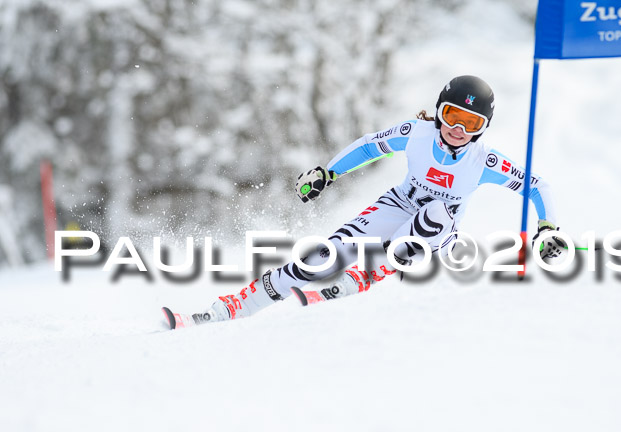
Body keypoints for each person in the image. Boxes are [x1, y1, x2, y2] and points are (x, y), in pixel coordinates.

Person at [173, 75, 564, 327]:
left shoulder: (483, 161)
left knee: (435, 213)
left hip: (436, 232)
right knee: (323, 258)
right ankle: (231, 308)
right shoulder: (417, 132)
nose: (459, 130)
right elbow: (369, 147)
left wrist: (547, 229)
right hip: (397, 205)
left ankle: (370, 273)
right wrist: (328, 173)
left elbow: (537, 185)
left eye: (472, 124)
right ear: (439, 112)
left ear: (483, 128)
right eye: (452, 116)